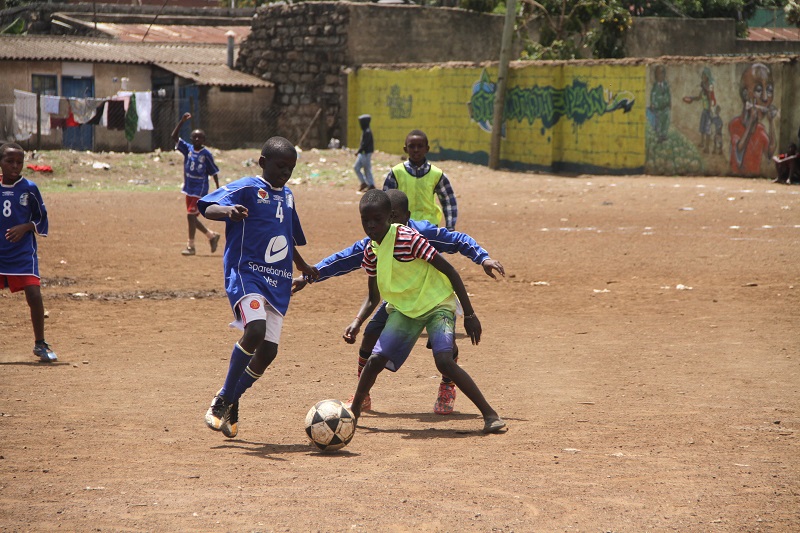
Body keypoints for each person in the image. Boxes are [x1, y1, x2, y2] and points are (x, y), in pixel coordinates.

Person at [292, 189, 505, 414]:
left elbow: (459, 241)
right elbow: (343, 260)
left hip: (434, 299)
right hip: (401, 303)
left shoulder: (417, 235)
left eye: (392, 217)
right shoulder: (372, 244)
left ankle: (448, 385)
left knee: (445, 350)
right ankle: (361, 399)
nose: (384, 223)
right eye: (369, 220)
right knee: (371, 334)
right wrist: (308, 276)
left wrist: (483, 258)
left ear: (402, 216)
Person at [198, 136, 319, 438]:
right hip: (246, 273)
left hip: (277, 279)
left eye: (290, 168)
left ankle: (233, 401)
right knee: (255, 331)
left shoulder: (288, 196)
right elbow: (207, 206)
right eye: (280, 166)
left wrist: (301, 265)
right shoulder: (248, 188)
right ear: (263, 162)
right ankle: (222, 399)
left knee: (268, 353)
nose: (285, 173)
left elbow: (286, 235)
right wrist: (227, 212)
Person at [0, 142, 57, 362]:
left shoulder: (29, 188)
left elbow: (41, 218)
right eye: (9, 161)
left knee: (33, 294)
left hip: (22, 253)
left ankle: (40, 343)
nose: (15, 166)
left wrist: (25, 227)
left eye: (19, 162)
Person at [383, 129, 457, 230]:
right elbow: (385, 203)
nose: (416, 150)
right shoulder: (396, 173)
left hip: (429, 228)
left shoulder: (437, 174)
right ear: (405, 149)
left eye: (420, 146)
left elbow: (448, 201)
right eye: (411, 146)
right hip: (403, 228)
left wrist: (450, 227)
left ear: (427, 149)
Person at [172, 112, 221, 256]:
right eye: (195, 137)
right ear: (191, 139)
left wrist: (218, 189)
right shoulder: (187, 149)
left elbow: (214, 172)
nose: (197, 139)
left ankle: (191, 246)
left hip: (200, 189)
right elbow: (173, 137)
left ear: (204, 139)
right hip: (189, 188)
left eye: (200, 137)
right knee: (191, 216)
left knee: (190, 215)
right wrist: (181, 121)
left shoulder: (206, 154)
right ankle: (211, 236)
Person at [354, 114, 375, 192]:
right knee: (356, 167)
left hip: (366, 153)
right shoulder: (365, 131)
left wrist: (358, 151)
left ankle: (371, 185)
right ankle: (363, 183)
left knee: (367, 169)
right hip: (362, 153)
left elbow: (364, 144)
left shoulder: (367, 132)